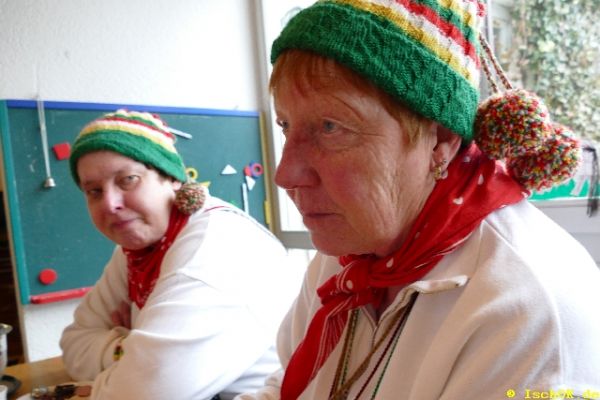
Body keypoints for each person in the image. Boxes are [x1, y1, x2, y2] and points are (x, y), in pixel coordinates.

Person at [236, 1, 600, 399]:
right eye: (285, 125)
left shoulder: (525, 309)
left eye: (330, 127)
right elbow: (290, 380)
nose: (285, 175)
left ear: (440, 141)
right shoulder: (349, 249)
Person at [60, 109, 300, 400]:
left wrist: (132, 352)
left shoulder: (215, 246)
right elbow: (74, 343)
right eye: (94, 191)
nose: (110, 203)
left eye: (128, 180)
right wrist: (127, 349)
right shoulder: (135, 251)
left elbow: (141, 393)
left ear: (171, 178)